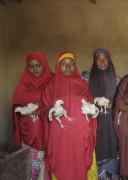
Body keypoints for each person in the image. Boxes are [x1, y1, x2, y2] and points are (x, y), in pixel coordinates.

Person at [42, 51, 98, 180]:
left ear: (75, 66)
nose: (68, 67)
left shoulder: (83, 85)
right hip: (59, 137)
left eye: (71, 64)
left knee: (80, 164)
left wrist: (94, 113)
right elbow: (44, 110)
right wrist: (51, 113)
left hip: (80, 136)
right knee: (62, 164)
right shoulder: (50, 87)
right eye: (63, 64)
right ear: (57, 65)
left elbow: (90, 108)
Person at [12, 51, 53, 180]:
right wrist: (22, 110)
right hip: (29, 132)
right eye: (31, 66)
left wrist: (41, 110)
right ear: (27, 67)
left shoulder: (52, 81)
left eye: (38, 65)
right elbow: (15, 106)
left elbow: (57, 104)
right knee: (31, 168)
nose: (35, 69)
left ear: (44, 65)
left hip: (46, 132)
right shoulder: (23, 84)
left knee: (46, 167)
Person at [89, 48, 118, 179]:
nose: (102, 61)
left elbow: (122, 100)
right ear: (94, 61)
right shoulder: (88, 80)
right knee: (95, 150)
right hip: (94, 123)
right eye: (98, 59)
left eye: (105, 58)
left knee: (110, 149)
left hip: (110, 125)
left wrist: (114, 104)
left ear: (109, 59)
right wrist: (94, 103)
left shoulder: (117, 80)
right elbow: (84, 100)